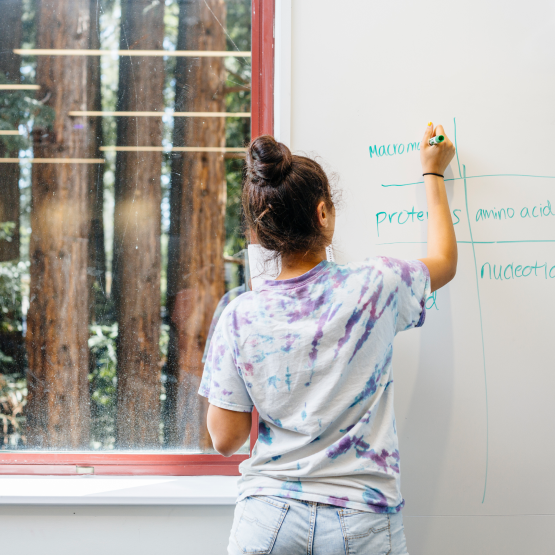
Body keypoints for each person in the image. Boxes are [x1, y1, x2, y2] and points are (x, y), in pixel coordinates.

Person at [198, 122, 457, 554]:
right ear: (323, 213)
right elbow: (445, 261)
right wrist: (433, 172)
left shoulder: (239, 315)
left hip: (268, 517)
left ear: (260, 233)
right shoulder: (377, 283)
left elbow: (226, 439)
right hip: (361, 514)